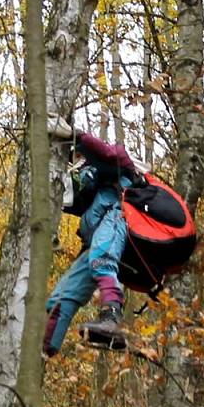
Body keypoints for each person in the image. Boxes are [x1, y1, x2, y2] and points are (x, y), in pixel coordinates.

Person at [42, 117, 137, 357]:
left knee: (101, 259)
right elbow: (68, 198)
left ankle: (112, 317)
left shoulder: (118, 166)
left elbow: (109, 154)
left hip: (118, 218)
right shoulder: (88, 191)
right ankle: (42, 350)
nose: (78, 166)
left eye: (79, 160)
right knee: (61, 297)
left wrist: (77, 136)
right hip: (95, 240)